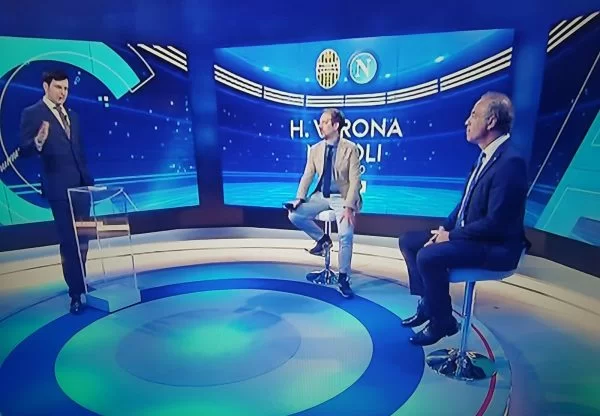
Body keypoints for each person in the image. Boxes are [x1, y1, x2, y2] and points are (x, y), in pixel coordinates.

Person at [398, 92, 529, 346]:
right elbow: (465, 203)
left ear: (491, 121)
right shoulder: (486, 156)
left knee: (428, 256)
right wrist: (444, 228)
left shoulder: (510, 162)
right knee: (409, 241)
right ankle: (428, 304)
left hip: (496, 246)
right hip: (473, 235)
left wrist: (451, 236)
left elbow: (496, 224)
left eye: (474, 115)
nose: (467, 121)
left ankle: (442, 322)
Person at [19, 70, 94, 314]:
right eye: (58, 87)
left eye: (66, 88)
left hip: (81, 187)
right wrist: (38, 142)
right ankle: (75, 293)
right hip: (58, 188)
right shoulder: (32, 113)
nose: (63, 93)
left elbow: (79, 151)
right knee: (69, 241)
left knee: (83, 239)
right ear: (46, 87)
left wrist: (88, 180)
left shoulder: (73, 115)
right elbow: (25, 149)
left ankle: (80, 281)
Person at [287, 108, 362, 298]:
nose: (320, 126)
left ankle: (343, 278)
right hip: (321, 195)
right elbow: (307, 176)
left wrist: (349, 207)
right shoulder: (315, 150)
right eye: (320, 122)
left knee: (346, 235)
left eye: (324, 122)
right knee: (295, 215)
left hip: (342, 197)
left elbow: (355, 181)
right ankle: (323, 240)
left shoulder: (350, 149)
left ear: (335, 125)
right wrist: (299, 198)